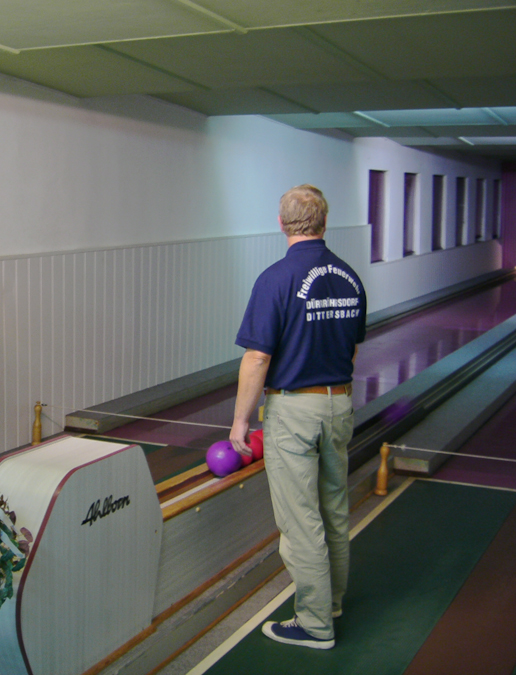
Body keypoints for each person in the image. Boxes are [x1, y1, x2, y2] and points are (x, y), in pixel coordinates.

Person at [229, 184, 366, 650]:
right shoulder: (349, 277)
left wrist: (240, 421)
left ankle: (315, 624)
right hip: (339, 403)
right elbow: (351, 345)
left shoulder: (276, 279)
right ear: (324, 222)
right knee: (334, 511)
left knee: (301, 521)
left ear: (282, 224)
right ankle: (332, 603)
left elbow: (257, 357)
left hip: (294, 410)